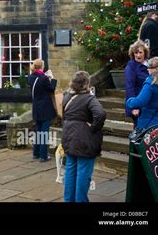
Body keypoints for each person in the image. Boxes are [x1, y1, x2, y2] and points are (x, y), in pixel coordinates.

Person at [62, 71, 106, 203]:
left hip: (68, 137)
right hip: (84, 140)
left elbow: (64, 116)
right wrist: (93, 127)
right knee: (83, 172)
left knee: (70, 170)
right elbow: (101, 114)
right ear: (86, 84)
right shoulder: (89, 98)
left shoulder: (67, 97)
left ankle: (68, 200)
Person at [27, 59, 57, 162]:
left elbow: (40, 85)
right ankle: (43, 156)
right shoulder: (44, 78)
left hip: (36, 107)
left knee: (38, 131)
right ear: (42, 67)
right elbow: (51, 88)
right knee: (44, 132)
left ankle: (36, 153)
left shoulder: (30, 77)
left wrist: (45, 77)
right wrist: (52, 78)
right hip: (45, 108)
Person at [126, 57, 158, 130]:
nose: (147, 69)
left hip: (151, 126)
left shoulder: (151, 84)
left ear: (156, 69)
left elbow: (139, 102)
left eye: (149, 67)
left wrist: (129, 101)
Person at [124, 40, 150, 128]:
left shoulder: (150, 64)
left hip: (150, 104)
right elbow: (129, 86)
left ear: (145, 53)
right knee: (139, 133)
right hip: (138, 103)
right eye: (136, 52)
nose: (138, 55)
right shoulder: (131, 66)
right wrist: (134, 107)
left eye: (140, 52)